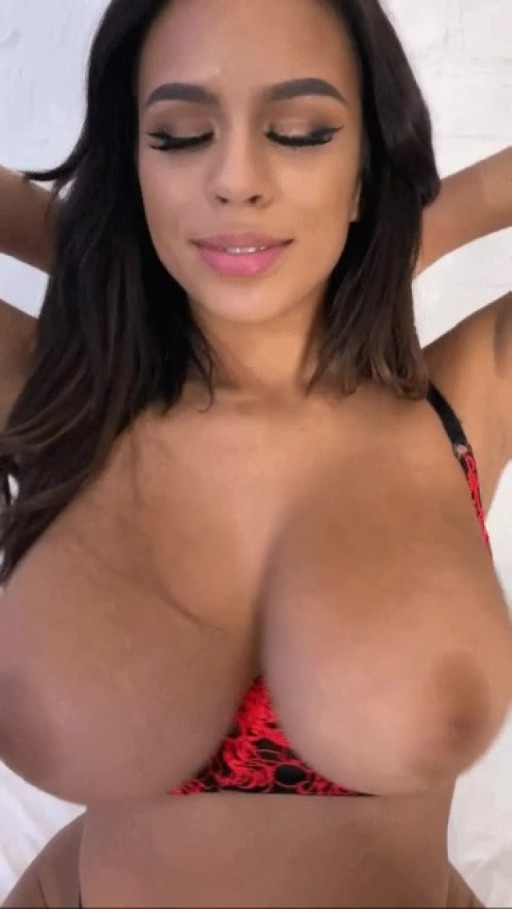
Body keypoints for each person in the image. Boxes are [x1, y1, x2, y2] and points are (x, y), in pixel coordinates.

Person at [0, 0, 510, 905]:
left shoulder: (469, 398)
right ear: (133, 167)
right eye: (180, 136)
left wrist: (404, 235)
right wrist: (94, 253)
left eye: (302, 133)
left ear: (366, 167)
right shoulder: (61, 397)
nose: (236, 178)